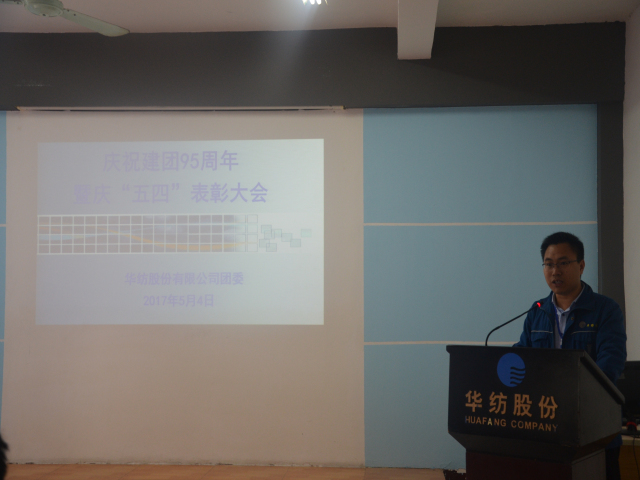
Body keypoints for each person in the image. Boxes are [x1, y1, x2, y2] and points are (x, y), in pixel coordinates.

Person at [514, 231, 627, 480]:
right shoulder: (537, 312)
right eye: (549, 264)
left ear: (581, 266)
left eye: (563, 263)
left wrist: (571, 398)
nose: (555, 271)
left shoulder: (605, 310)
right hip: (545, 428)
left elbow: (610, 363)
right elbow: (522, 358)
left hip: (595, 431)